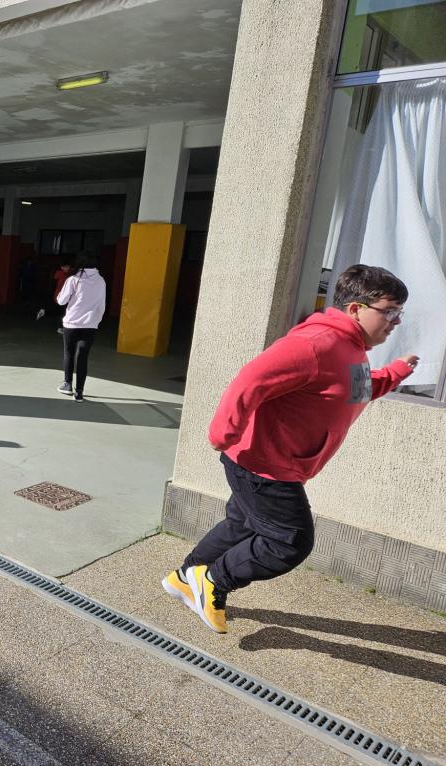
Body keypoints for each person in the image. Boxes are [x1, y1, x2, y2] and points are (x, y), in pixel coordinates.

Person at [163, 264, 418, 634]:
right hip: (263, 466)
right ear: (355, 309)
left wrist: (395, 373)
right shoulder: (317, 344)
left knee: (242, 524)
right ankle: (214, 581)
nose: (396, 322)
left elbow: (359, 391)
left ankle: (185, 576)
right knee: (290, 541)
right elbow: (250, 380)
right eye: (389, 312)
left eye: (399, 313)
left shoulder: (353, 350)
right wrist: (223, 432)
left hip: (273, 461)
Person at [55, 251, 107, 402]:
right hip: (90, 325)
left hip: (71, 324)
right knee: (83, 357)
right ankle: (79, 392)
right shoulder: (101, 281)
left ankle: (67, 384)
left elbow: (62, 301)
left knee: (69, 353)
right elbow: (102, 305)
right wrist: (96, 321)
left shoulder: (73, 279)